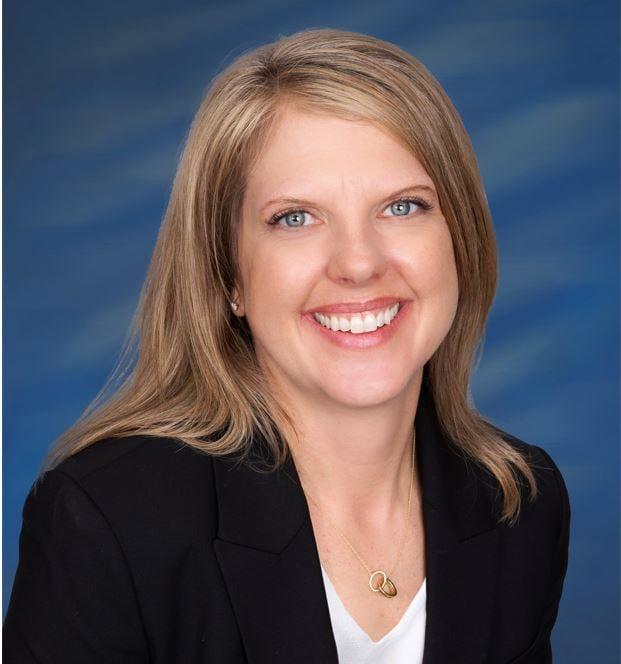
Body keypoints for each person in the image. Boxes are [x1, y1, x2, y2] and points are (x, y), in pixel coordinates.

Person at [3, 28, 570, 664]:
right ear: (228, 277)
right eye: (295, 218)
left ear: (459, 239)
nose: (358, 263)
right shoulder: (109, 521)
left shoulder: (518, 502)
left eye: (403, 207)